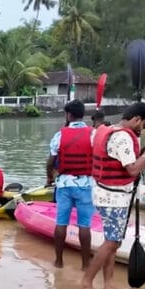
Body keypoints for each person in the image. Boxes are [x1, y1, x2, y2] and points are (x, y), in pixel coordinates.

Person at [81, 103, 145, 289]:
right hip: (113, 198)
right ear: (136, 119)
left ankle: (108, 284)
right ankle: (86, 284)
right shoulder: (122, 137)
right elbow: (133, 170)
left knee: (112, 242)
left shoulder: (109, 130)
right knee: (112, 242)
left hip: (104, 193)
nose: (142, 129)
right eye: (143, 125)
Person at [46, 100, 95, 269]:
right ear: (83, 115)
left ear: (68, 115)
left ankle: (59, 262)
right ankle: (85, 265)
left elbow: (50, 161)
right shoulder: (93, 134)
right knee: (84, 225)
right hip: (86, 185)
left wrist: (49, 178)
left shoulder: (60, 135)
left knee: (61, 223)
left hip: (64, 184)